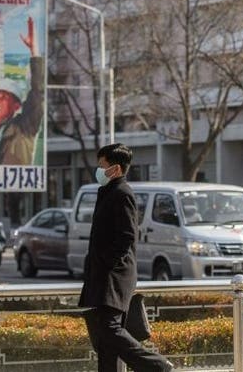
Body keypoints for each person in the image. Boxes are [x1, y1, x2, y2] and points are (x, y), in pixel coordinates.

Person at [77, 143, 172, 372]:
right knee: (105, 338)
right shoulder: (108, 192)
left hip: (114, 276)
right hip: (102, 275)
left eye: (102, 165)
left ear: (116, 169)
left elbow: (128, 236)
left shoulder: (122, 193)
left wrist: (106, 264)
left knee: (109, 328)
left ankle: (156, 365)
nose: (98, 170)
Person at [0, 16, 44, 166]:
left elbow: (38, 92)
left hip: (14, 189)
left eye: (3, 97)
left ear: (17, 106)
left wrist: (34, 51)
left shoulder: (24, 127)